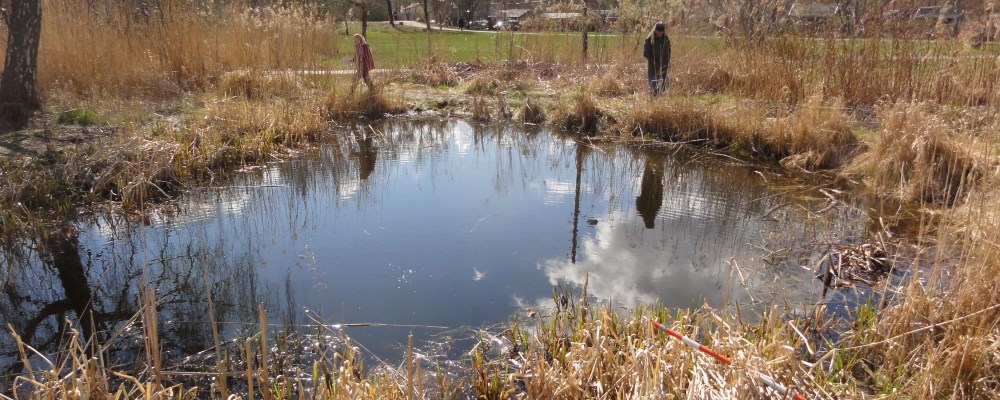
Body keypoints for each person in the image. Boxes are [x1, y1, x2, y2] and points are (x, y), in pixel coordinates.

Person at [643, 21, 671, 96]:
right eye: (658, 30)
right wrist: (653, 62)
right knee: (653, 83)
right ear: (655, 30)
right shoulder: (649, 39)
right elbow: (645, 53)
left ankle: (658, 94)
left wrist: (668, 61)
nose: (659, 32)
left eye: (661, 31)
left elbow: (669, 50)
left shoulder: (666, 39)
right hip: (653, 65)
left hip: (664, 65)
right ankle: (653, 96)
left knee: (665, 84)